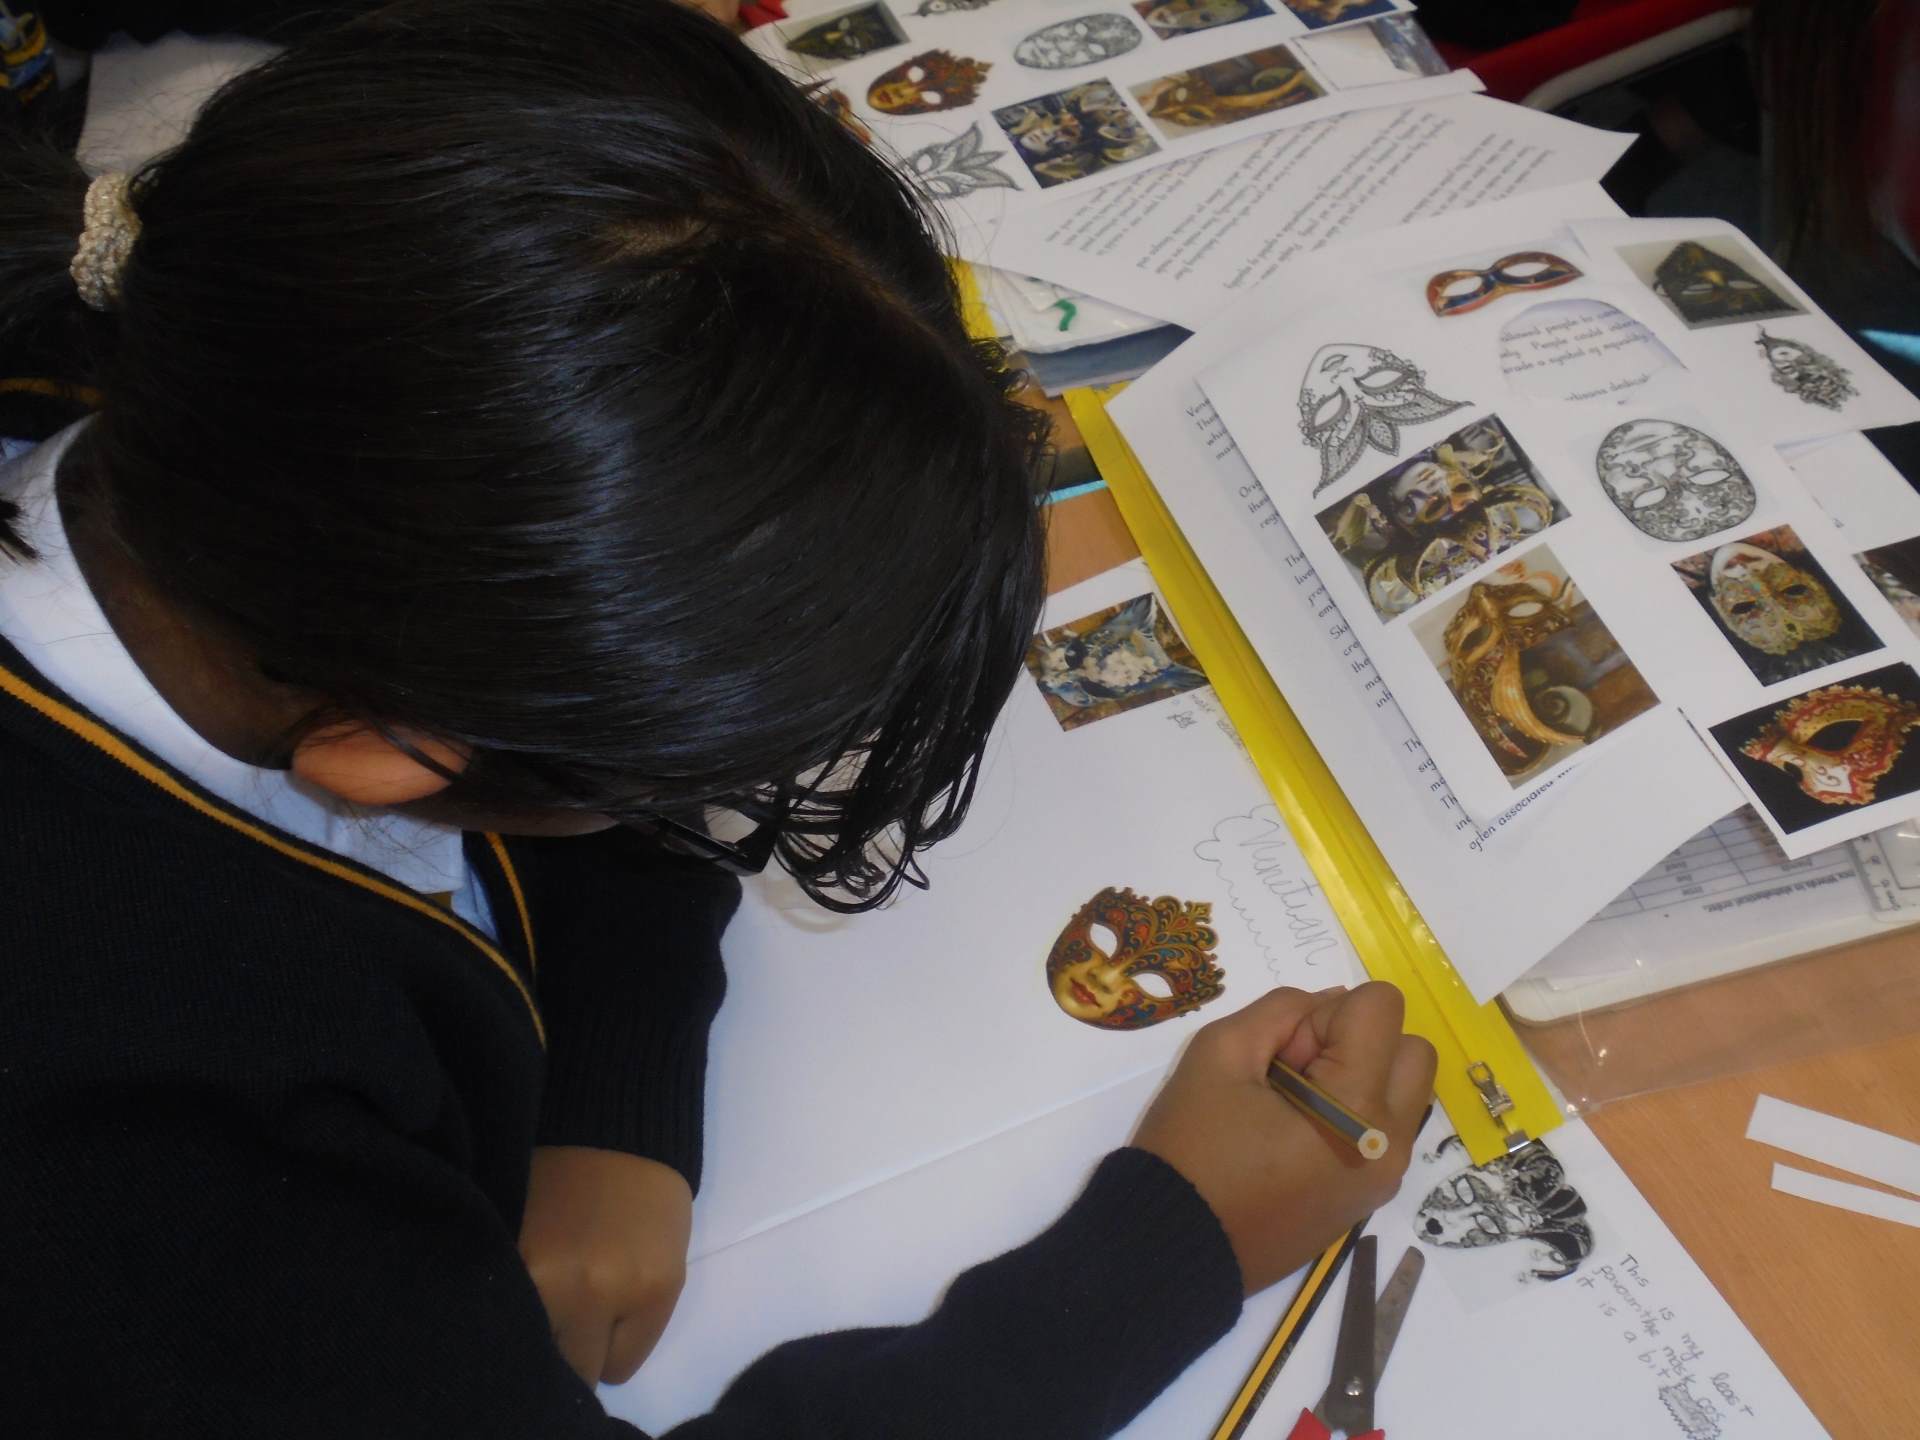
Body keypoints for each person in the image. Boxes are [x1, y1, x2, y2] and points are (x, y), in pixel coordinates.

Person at [0, 3, 1437, 1435]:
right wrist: (1166, 1257)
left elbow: (569, 690)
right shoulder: (141, 1157)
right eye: (694, 763)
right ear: (384, 752)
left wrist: (618, 1084)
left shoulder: (209, 380)